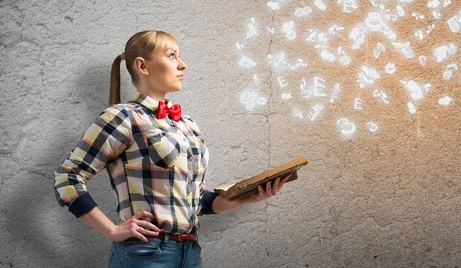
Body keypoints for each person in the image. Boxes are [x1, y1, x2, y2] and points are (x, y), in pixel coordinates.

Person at [54, 30, 291, 268]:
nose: (183, 65)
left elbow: (198, 202)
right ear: (142, 66)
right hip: (144, 254)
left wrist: (247, 196)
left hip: (190, 253)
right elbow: (67, 177)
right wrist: (113, 231)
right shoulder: (123, 117)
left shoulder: (187, 125)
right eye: (172, 55)